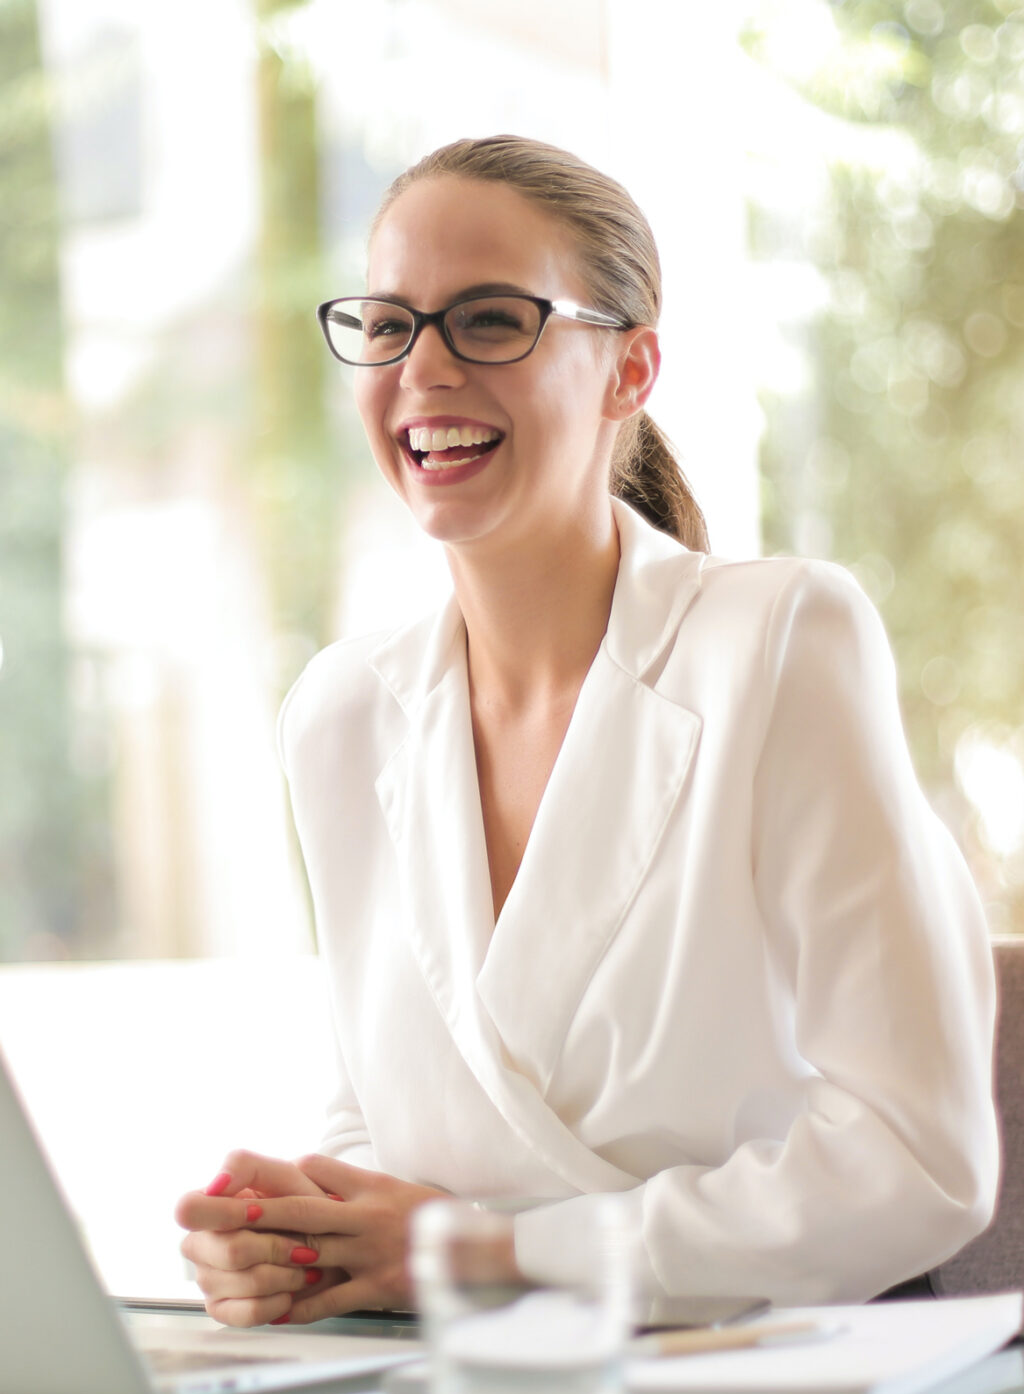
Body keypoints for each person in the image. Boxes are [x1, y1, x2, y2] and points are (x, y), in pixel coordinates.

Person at [176, 135, 998, 1328]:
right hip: (483, 1369)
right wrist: (302, 1238)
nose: (424, 368)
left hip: (767, 1359)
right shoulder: (341, 716)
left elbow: (919, 1161)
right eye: (389, 323)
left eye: (491, 320)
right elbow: (385, 1107)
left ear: (631, 368)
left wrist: (490, 1251)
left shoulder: (777, 643)